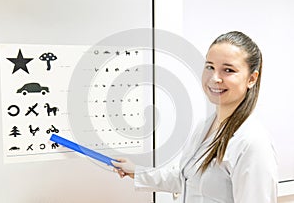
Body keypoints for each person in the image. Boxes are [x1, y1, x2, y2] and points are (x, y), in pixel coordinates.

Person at [112, 31, 278, 203]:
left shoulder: (253, 143)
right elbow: (187, 178)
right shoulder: (206, 126)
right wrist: (138, 171)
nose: (215, 78)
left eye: (228, 70)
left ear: (252, 78)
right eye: (210, 67)